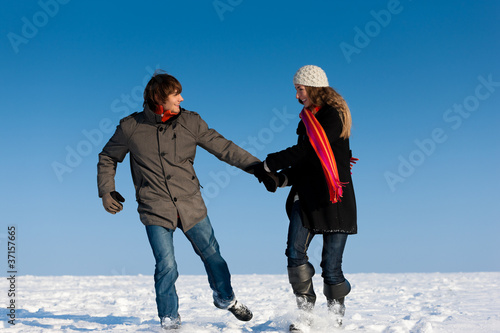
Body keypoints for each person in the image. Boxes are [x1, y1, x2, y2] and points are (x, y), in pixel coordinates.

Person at [97, 71, 268, 330]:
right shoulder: (130, 127)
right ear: (159, 97)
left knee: (213, 256)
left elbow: (224, 147)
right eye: (175, 94)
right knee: (166, 265)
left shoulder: (191, 122)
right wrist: (106, 190)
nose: (182, 98)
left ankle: (227, 299)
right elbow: (108, 157)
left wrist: (257, 167)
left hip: (190, 204)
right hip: (155, 207)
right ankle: (170, 320)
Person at [247, 65, 357, 331]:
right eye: (296, 90)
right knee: (295, 253)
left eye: (300, 89)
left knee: (331, 267)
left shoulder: (333, 117)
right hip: (306, 197)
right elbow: (305, 164)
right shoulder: (306, 120)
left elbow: (307, 151)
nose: (297, 96)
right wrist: (280, 178)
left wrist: (270, 163)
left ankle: (334, 320)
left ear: (314, 87)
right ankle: (306, 315)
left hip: (334, 199)